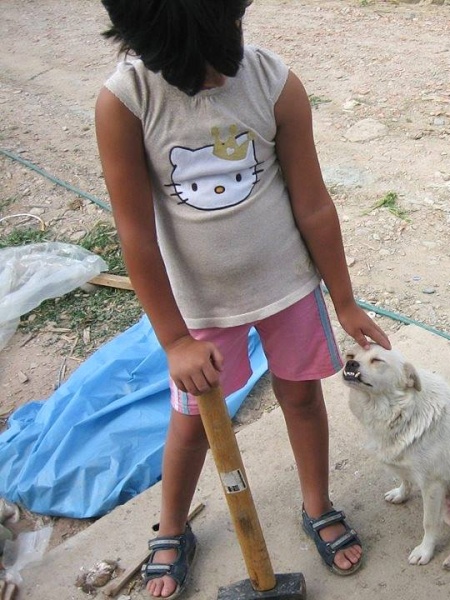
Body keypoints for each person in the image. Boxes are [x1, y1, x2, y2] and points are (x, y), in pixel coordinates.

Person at [95, 1, 391, 597]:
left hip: (287, 286)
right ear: (141, 41)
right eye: (192, 62)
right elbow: (136, 233)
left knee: (302, 397)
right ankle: (173, 528)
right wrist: (175, 339)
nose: (213, 76)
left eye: (223, 43)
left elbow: (312, 203)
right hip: (201, 310)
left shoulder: (274, 84)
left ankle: (317, 504)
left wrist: (345, 299)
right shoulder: (126, 103)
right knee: (193, 423)